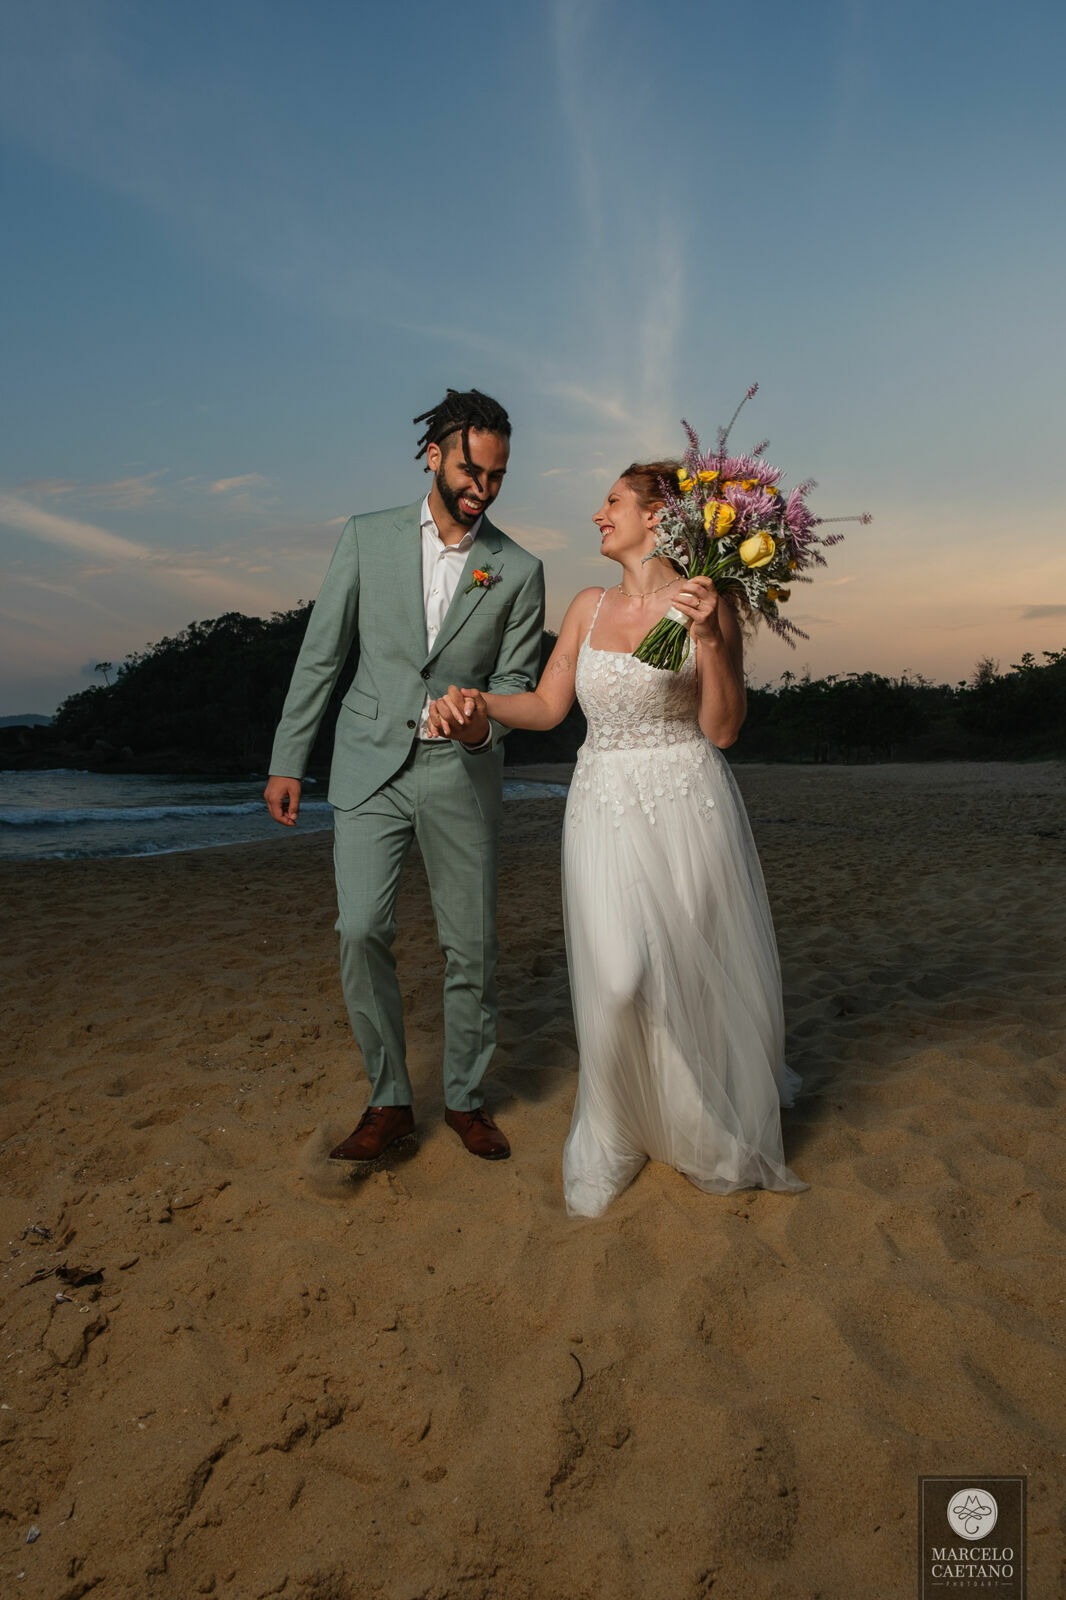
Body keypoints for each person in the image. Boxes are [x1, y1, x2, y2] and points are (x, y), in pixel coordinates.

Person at [428, 460, 804, 1216]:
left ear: (660, 518)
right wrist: (479, 709)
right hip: (600, 800)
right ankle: (619, 1126)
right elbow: (545, 702)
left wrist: (709, 641)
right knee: (620, 976)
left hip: (685, 799)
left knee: (677, 975)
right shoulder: (588, 605)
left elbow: (723, 729)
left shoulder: (708, 600)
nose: (598, 517)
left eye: (612, 503)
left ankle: (691, 1119)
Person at [264, 389, 545, 1167]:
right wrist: (290, 758)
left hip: (461, 774)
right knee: (360, 930)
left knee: (471, 948)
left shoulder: (517, 569)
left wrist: (482, 722)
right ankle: (390, 1099)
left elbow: (518, 684)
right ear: (434, 453)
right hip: (368, 767)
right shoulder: (365, 537)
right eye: (468, 468)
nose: (480, 488)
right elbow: (321, 656)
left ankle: (464, 1099)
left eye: (496, 476)